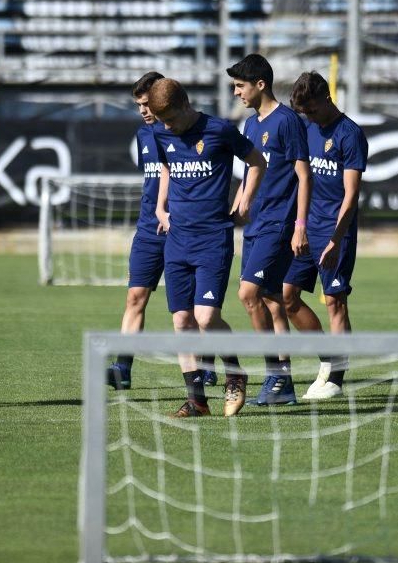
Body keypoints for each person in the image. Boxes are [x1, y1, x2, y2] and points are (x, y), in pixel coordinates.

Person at [149, 78, 267, 417]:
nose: (168, 126)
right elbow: (167, 167)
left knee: (205, 317)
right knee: (182, 321)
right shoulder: (161, 134)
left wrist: (245, 196)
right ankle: (197, 400)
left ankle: (234, 371)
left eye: (171, 119)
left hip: (213, 237)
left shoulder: (220, 130)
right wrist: (161, 206)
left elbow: (257, 162)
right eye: (163, 122)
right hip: (177, 239)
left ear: (185, 105)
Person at [105, 72, 216, 391]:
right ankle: (122, 367)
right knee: (135, 296)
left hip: (184, 230)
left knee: (193, 308)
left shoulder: (188, 134)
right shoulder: (144, 135)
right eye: (138, 104)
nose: (142, 109)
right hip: (148, 230)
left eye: (146, 103)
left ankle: (203, 365)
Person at [226, 54, 311, 406]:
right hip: (257, 224)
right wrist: (242, 199)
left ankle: (273, 372)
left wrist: (300, 226)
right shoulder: (250, 125)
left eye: (240, 85)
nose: (236, 92)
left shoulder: (288, 122)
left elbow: (304, 177)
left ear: (260, 84)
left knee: (248, 294)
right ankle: (284, 383)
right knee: (273, 301)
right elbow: (252, 171)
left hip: (279, 223)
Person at [282, 72, 368, 400]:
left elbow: (351, 194)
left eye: (312, 110)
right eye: (303, 113)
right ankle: (327, 359)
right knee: (288, 296)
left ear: (326, 98)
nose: (309, 117)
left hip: (336, 232)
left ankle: (337, 377)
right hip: (306, 229)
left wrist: (336, 238)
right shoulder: (306, 127)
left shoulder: (350, 135)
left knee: (335, 301)